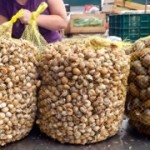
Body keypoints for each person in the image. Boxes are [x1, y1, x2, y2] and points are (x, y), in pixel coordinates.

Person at [0, 0, 67, 43]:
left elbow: (62, 22)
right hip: (22, 55)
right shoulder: (4, 2)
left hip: (51, 49)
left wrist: (32, 18)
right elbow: (3, 33)